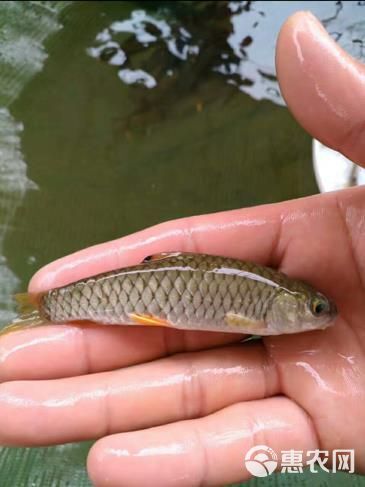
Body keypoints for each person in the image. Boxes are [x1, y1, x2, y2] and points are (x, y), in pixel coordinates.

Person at [0, 11, 364, 487]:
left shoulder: (271, 301)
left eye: (317, 309)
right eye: (316, 308)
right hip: (151, 298)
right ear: (288, 303)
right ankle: (43, 311)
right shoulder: (266, 305)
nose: (321, 314)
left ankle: (41, 311)